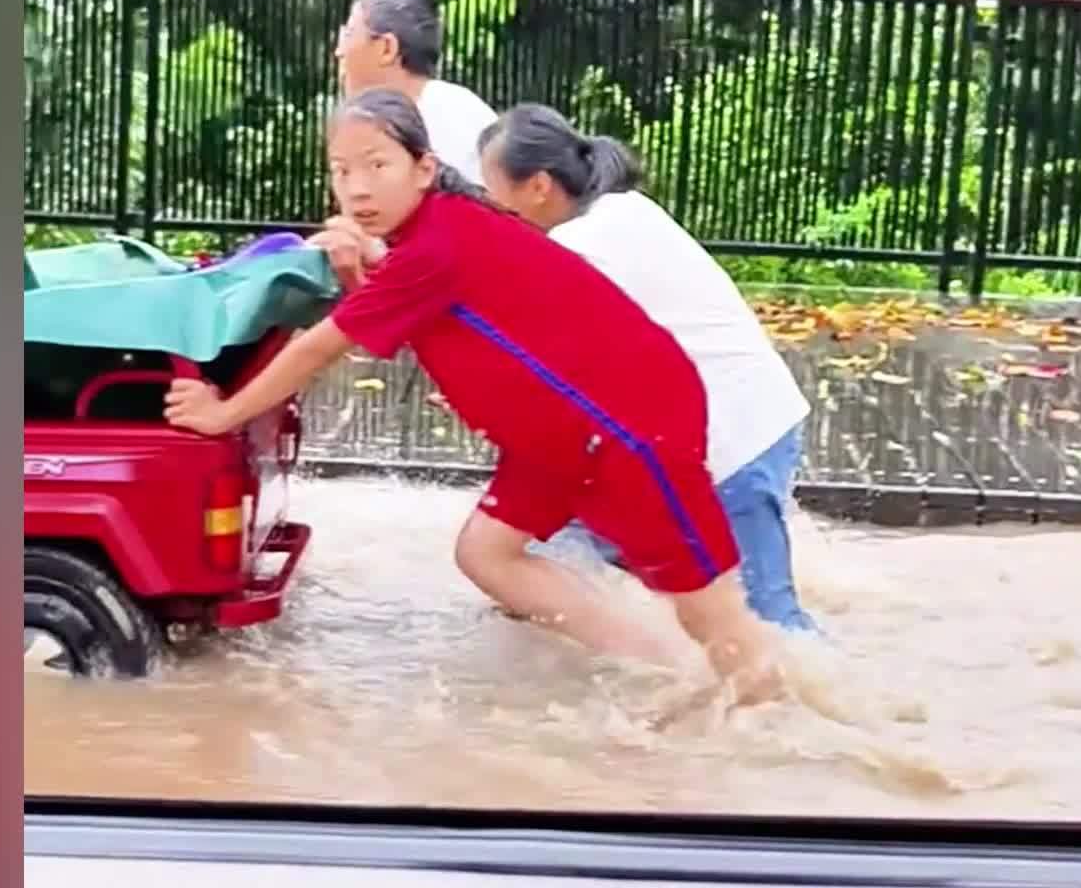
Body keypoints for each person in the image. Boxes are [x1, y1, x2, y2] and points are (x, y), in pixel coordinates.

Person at [163, 88, 782, 703]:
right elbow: (452, 308)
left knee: (714, 615)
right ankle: (661, 671)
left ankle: (778, 718)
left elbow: (317, 348)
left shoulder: (434, 246)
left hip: (628, 429)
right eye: (341, 170)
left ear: (424, 168)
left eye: (377, 165)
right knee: (487, 554)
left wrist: (223, 414)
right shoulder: (441, 229)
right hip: (561, 440)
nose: (356, 189)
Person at [473, 105, 820, 634]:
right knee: (564, 542)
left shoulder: (577, 246)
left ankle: (846, 713)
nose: (488, 210)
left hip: (730, 445)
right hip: (757, 417)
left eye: (492, 192)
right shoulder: (620, 208)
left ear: (538, 186)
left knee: (769, 629)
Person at [334, 0, 497, 186]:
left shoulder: (450, 118)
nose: (339, 52)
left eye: (348, 35)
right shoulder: (386, 121)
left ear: (387, 48)